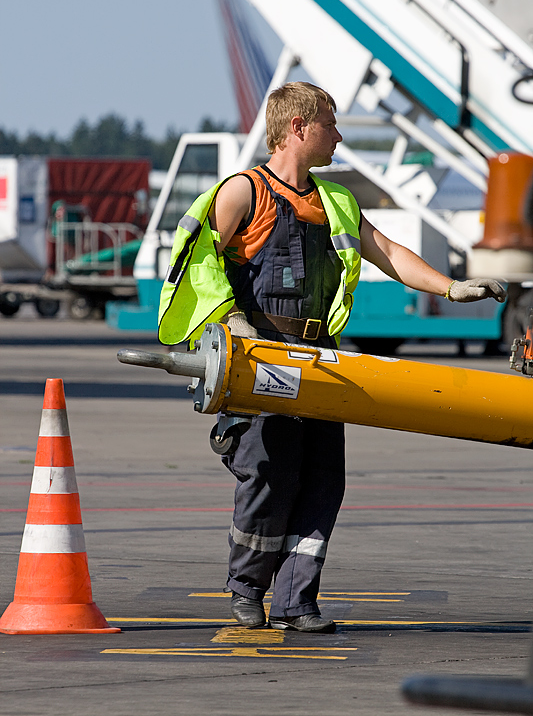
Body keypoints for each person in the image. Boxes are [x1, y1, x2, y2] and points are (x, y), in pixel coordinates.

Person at [158, 82, 506, 634]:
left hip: (321, 359)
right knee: (270, 475)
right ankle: (247, 587)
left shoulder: (336, 201)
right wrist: (230, 321)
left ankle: (297, 601)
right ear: (298, 127)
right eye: (330, 122)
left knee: (323, 479)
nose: (338, 134)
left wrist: (451, 288)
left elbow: (387, 251)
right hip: (263, 355)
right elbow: (196, 262)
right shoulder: (241, 192)